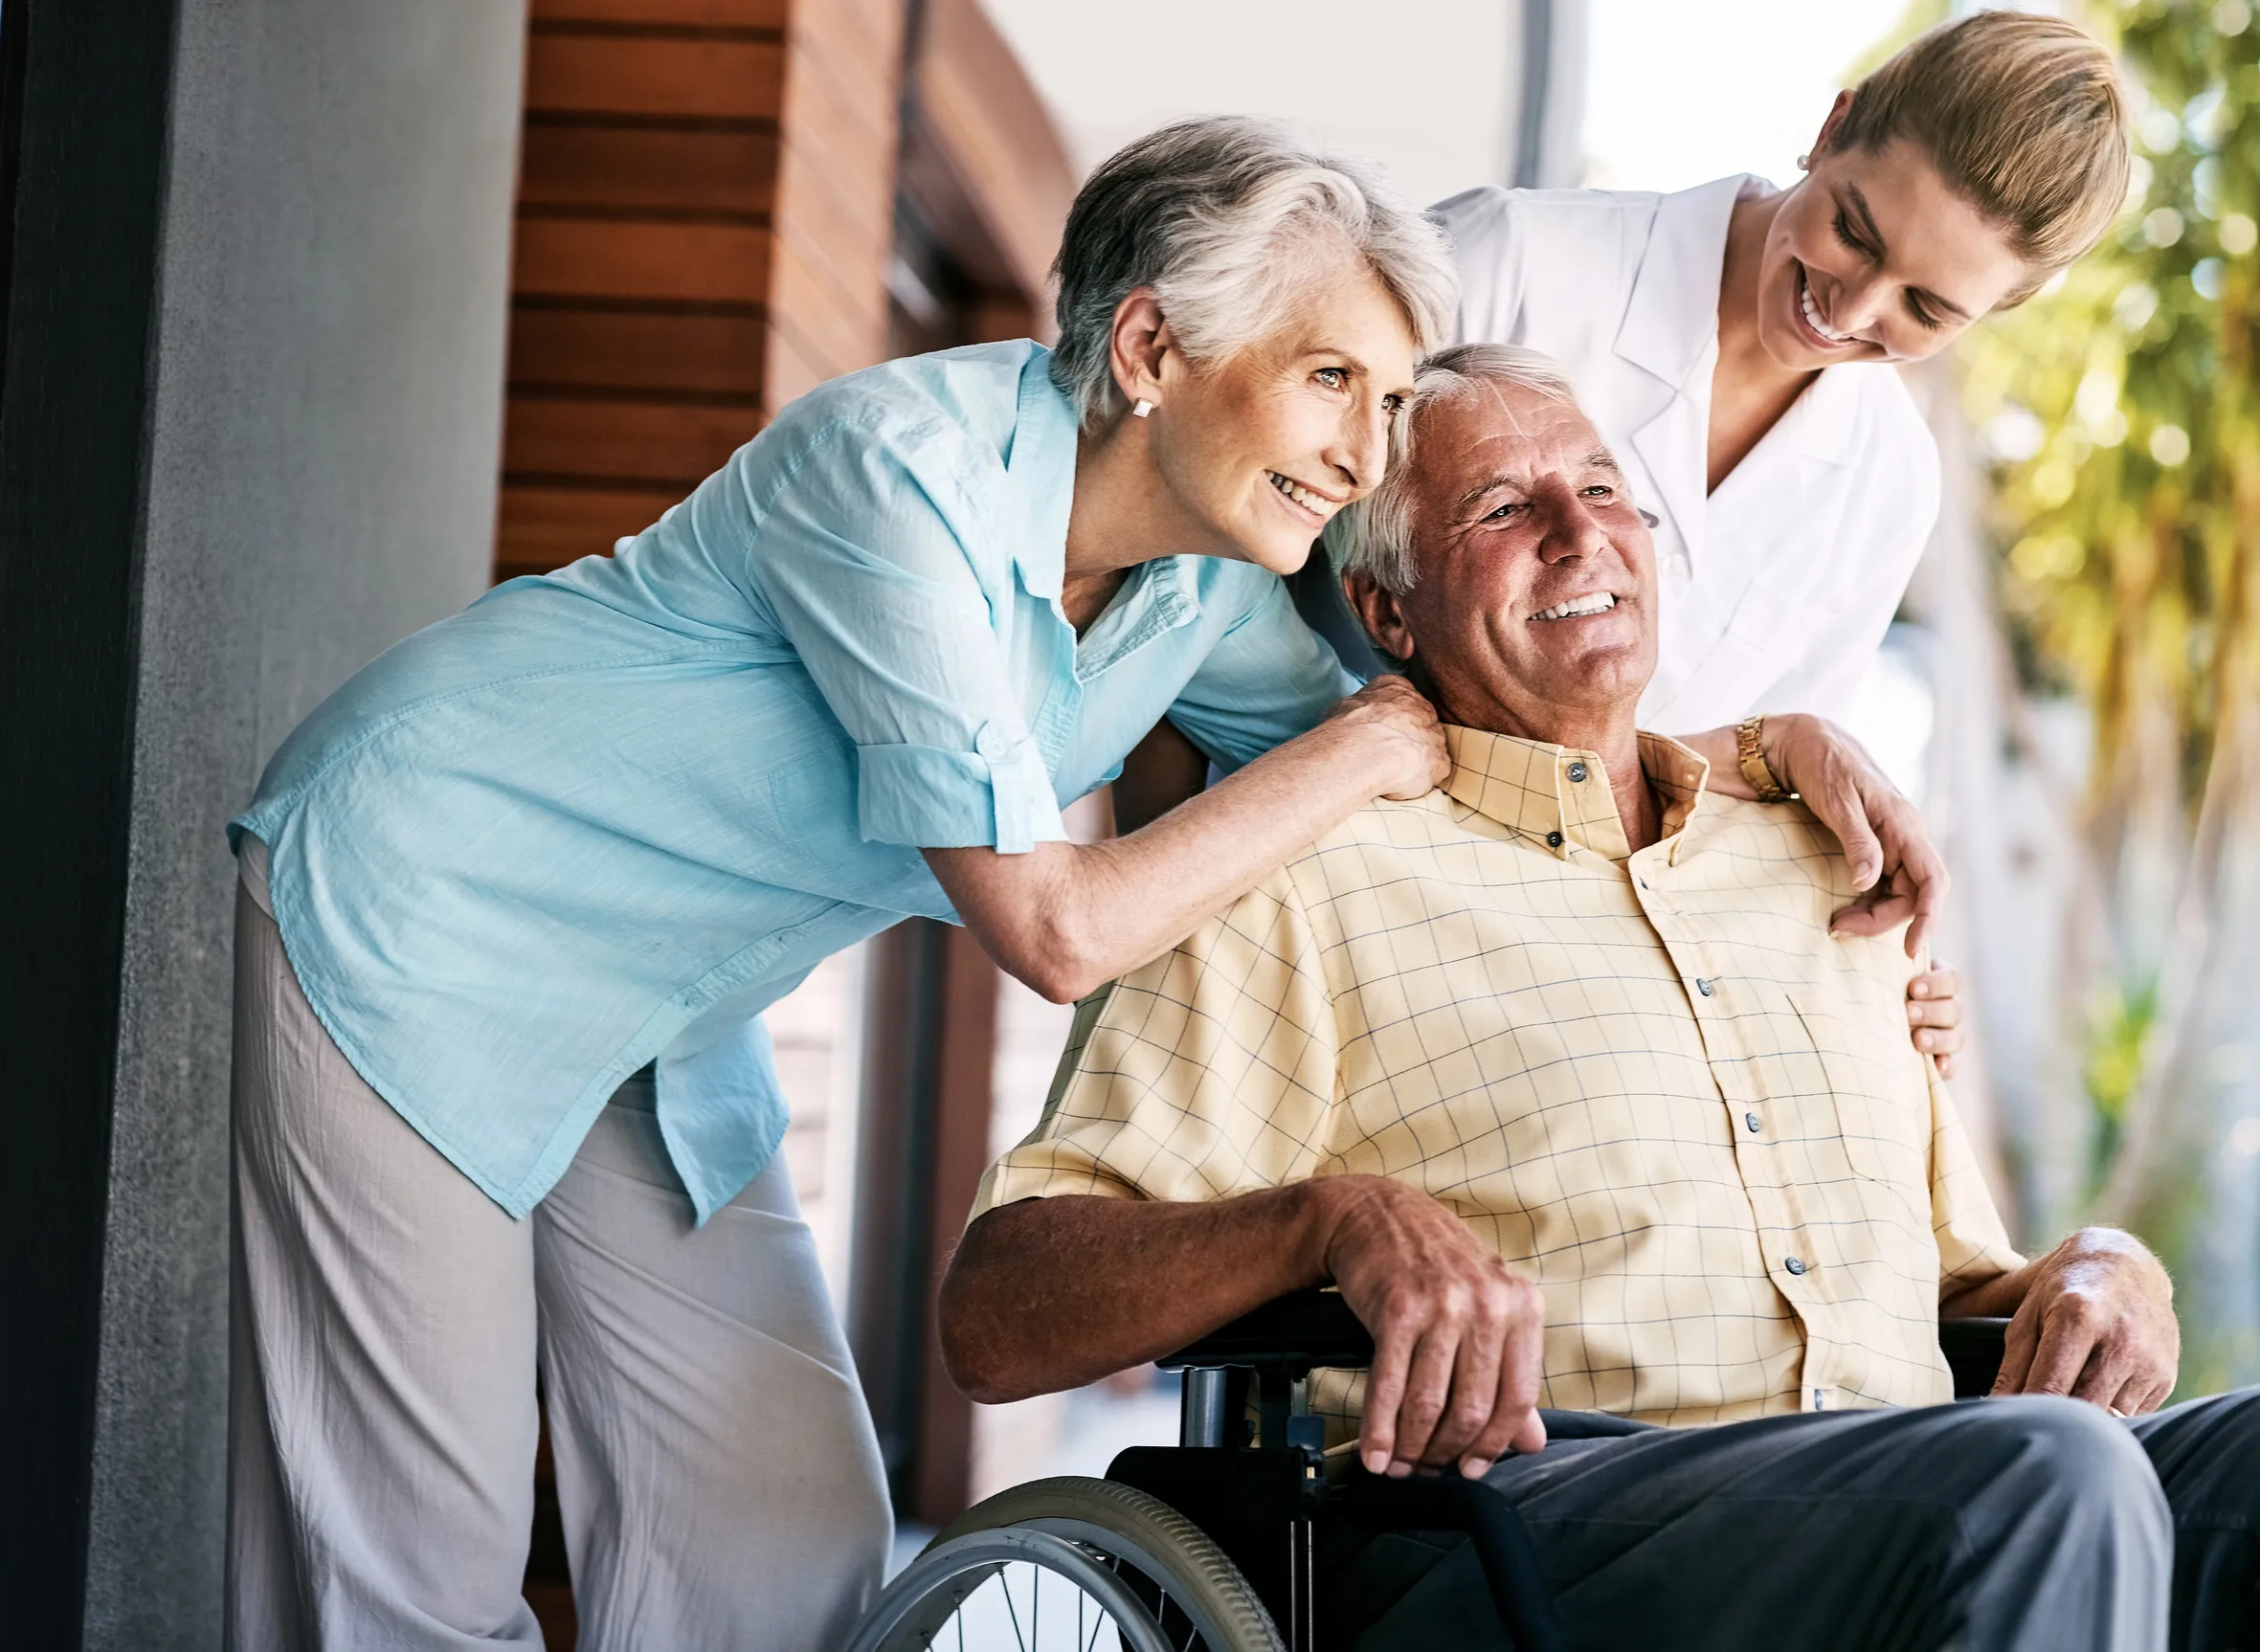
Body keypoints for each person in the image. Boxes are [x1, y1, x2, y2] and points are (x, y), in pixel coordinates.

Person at [227, 116, 1464, 1652]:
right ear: (1150, 347)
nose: (1365, 454)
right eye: (1330, 377)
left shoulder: (1205, 583)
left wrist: (1696, 773)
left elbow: (1408, 778)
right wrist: (1364, 744)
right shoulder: (900, 471)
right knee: (412, 1570)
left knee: (784, 1529)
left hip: (661, 1008)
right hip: (427, 895)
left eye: (1389, 401)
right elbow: (1058, 926)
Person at [939, 347, 2259, 1652]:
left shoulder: (1822, 861)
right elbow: (996, 1315)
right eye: (1501, 509)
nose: (1581, 536)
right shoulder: (1304, 875)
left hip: (1912, 1482)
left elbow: (1964, 1286)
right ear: (1388, 612)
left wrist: (2106, 1266)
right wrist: (1327, 1220)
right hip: (1533, 1524)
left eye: (1603, 488)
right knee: (2042, 1476)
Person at [1429, 10, 2134, 1077]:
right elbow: (1237, 570)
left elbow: (1738, 797)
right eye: (1856, 230)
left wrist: (1877, 976)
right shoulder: (1509, 261)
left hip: (1573, 1010)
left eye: (1927, 306)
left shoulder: (1888, 482)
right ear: (1832, 127)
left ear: (1996, 310)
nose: (1852, 307)